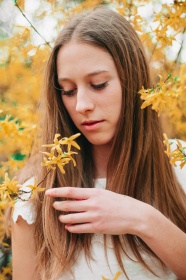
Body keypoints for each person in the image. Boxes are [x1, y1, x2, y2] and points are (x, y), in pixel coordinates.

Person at [11, 6, 186, 280]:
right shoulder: (36, 195)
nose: (81, 105)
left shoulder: (180, 162)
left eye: (99, 84)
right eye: (68, 91)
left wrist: (144, 220)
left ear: (133, 80)